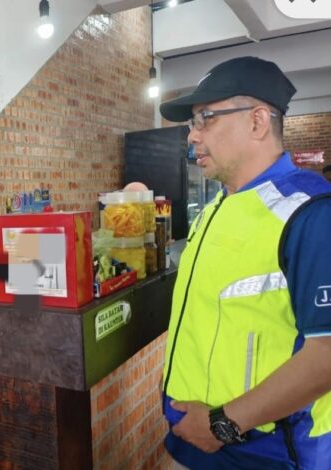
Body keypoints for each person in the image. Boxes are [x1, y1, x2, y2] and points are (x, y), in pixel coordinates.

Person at [159, 56, 331, 469]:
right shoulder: (216, 208)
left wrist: (222, 425)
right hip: (193, 440)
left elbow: (326, 354)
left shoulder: (309, 212)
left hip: (266, 453)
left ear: (257, 122)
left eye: (205, 118)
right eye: (192, 124)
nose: (192, 136)